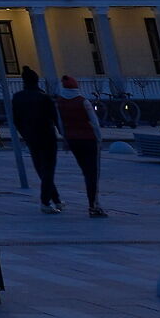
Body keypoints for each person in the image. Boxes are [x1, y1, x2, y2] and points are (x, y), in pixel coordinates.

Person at [9, 67, 63, 213]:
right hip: (47, 136)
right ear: (36, 80)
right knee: (48, 169)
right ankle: (45, 202)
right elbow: (56, 118)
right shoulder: (44, 97)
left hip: (31, 137)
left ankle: (56, 200)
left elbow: (16, 120)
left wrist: (25, 134)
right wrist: (64, 135)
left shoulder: (17, 97)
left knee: (41, 169)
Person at [56, 74, 106, 217]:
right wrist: (99, 138)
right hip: (89, 139)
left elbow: (60, 124)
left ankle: (93, 203)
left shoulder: (59, 103)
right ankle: (93, 205)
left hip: (73, 140)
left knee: (85, 171)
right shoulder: (83, 101)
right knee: (93, 173)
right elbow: (94, 122)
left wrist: (65, 139)